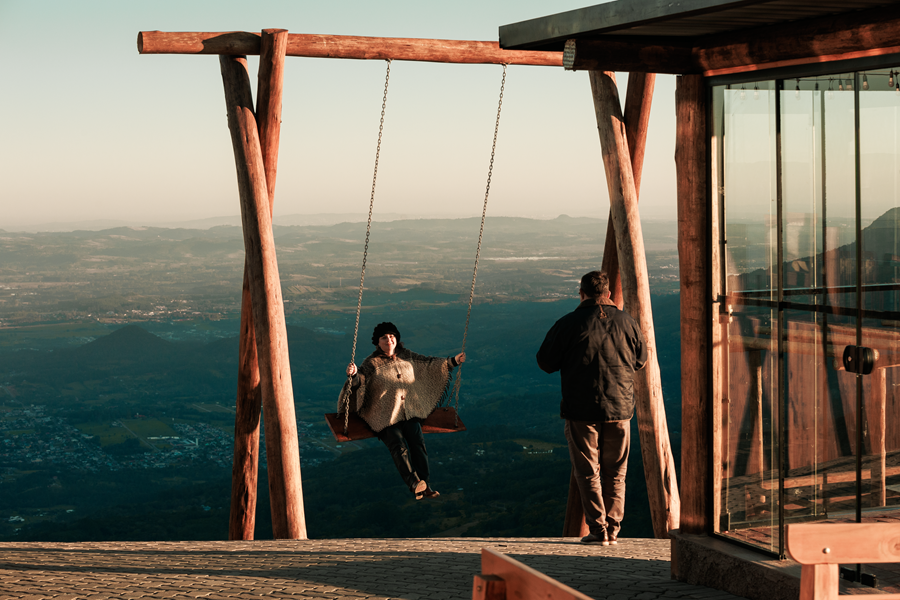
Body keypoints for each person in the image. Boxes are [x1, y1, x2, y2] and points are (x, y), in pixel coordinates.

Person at [536, 271, 647, 546]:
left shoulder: (568, 323)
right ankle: (614, 528)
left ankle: (598, 530)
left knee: (588, 471)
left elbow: (545, 362)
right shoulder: (627, 322)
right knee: (616, 472)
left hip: (581, 409)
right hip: (620, 408)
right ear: (608, 293)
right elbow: (641, 360)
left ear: (582, 293)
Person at [341, 322, 465, 500]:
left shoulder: (407, 355)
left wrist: (453, 361)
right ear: (377, 342)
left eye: (391, 336)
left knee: (418, 444)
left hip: (408, 412)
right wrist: (353, 375)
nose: (389, 340)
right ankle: (414, 483)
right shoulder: (371, 362)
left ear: (396, 338)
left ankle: (425, 484)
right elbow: (359, 381)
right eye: (384, 337)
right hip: (383, 416)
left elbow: (429, 364)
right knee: (398, 447)